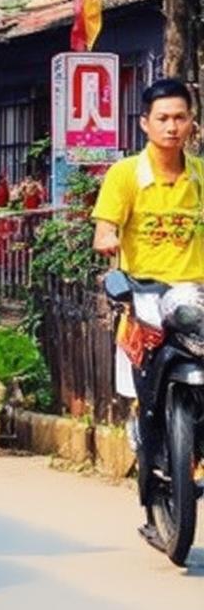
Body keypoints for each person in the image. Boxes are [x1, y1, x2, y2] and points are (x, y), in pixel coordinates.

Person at [91, 77, 204, 545]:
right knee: (144, 393)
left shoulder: (199, 175)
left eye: (180, 117)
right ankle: (151, 448)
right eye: (163, 118)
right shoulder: (125, 175)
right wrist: (108, 240)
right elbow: (103, 230)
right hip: (145, 299)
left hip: (196, 297)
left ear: (192, 123)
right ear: (145, 124)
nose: (172, 126)